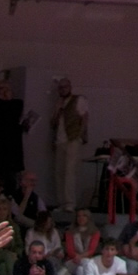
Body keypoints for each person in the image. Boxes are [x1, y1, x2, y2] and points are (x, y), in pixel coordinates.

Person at [50, 77, 88, 212]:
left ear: (70, 87)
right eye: (60, 88)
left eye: (65, 87)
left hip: (72, 139)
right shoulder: (58, 103)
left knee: (70, 172)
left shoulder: (78, 100)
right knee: (59, 172)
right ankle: (61, 203)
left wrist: (80, 135)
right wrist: (58, 109)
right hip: (59, 140)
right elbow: (53, 123)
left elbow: (84, 118)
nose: (63, 90)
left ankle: (70, 203)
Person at [0, 77, 26, 188]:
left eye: (2, 88)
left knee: (10, 175)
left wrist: (8, 99)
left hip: (12, 145)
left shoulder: (18, 103)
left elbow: (13, 117)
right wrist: (3, 100)